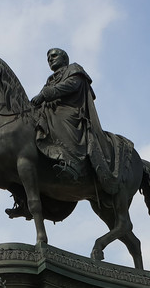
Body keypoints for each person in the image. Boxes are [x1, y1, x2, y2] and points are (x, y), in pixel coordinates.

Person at [30, 48, 118, 194]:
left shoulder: (74, 69)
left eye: (53, 56)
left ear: (64, 59)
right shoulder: (50, 80)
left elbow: (71, 85)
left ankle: (74, 163)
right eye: (48, 59)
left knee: (60, 120)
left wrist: (45, 94)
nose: (50, 59)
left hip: (70, 110)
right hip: (51, 109)